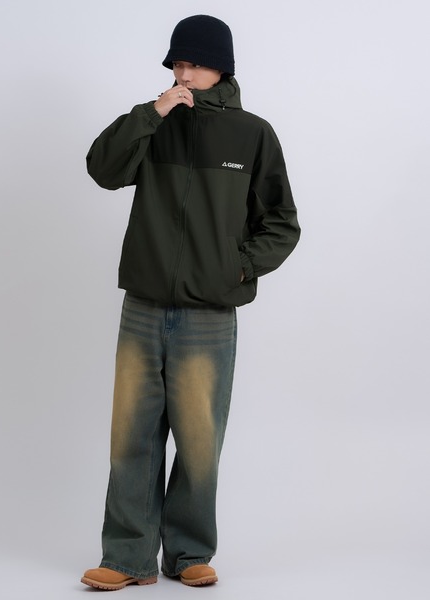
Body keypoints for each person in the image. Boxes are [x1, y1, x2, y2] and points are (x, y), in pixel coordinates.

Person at [81, 14, 300, 591]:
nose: (183, 75)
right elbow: (102, 169)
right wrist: (150, 114)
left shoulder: (253, 134)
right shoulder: (155, 124)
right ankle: (127, 558)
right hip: (143, 306)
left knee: (199, 440)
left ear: (220, 67)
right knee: (132, 435)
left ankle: (188, 553)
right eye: (177, 64)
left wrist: (238, 267)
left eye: (194, 65)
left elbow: (281, 221)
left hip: (208, 314)